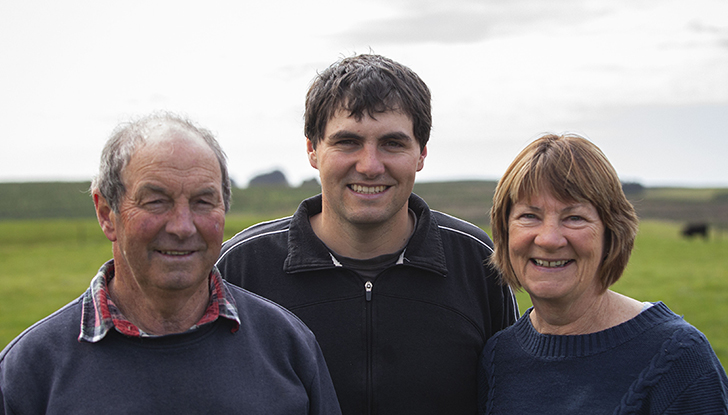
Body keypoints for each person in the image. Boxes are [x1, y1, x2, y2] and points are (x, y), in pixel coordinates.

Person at [218, 54, 519, 414]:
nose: (370, 166)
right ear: (313, 150)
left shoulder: (476, 259)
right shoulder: (241, 266)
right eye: (347, 142)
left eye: (393, 143)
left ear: (421, 153)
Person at [0, 113, 341, 414]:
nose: (182, 226)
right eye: (156, 201)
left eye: (203, 201)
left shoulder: (286, 345)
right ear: (106, 214)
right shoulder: (31, 370)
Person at [478, 133, 728, 414]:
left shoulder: (678, 359)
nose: (549, 239)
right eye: (529, 216)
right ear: (504, 232)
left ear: (611, 234)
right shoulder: (497, 357)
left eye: (574, 217)